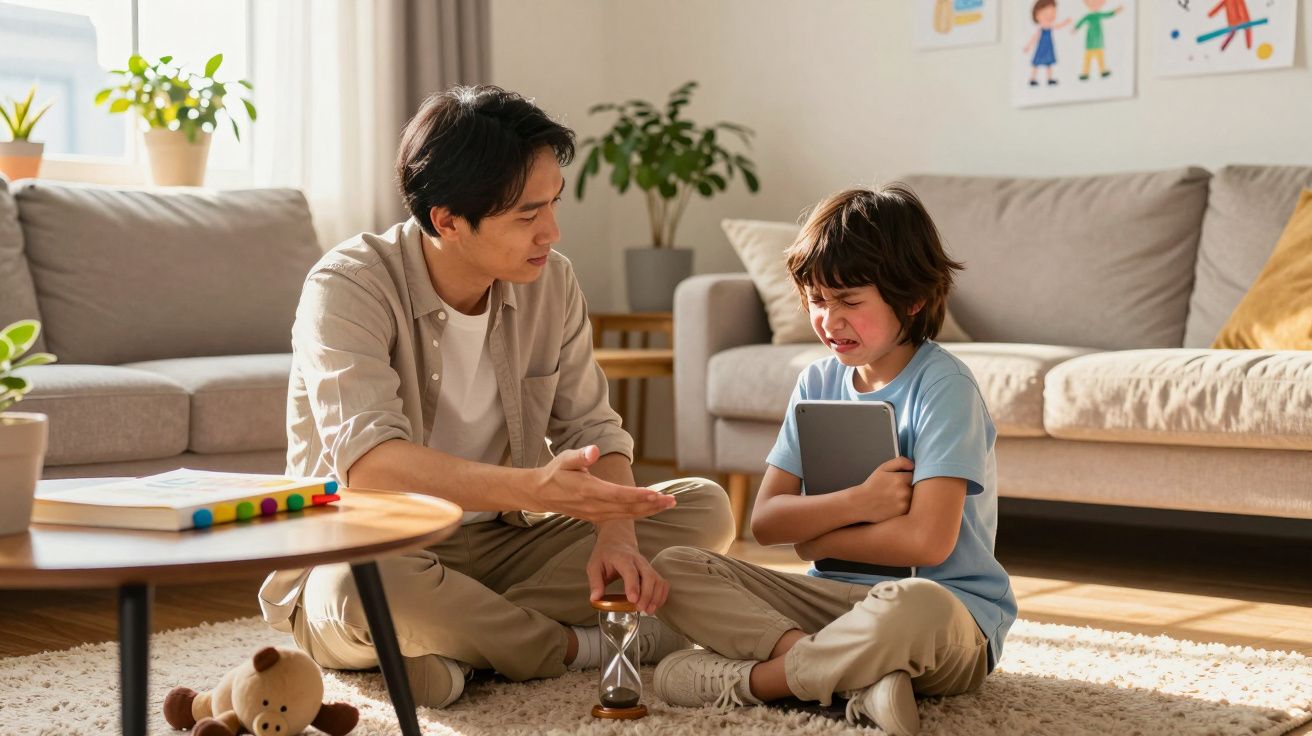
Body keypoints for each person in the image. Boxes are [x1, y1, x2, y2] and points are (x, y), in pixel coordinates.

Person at [257, 85, 736, 709]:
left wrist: (615, 532)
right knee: (365, 588)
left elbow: (593, 428)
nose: (552, 231)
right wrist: (533, 488)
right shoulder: (348, 285)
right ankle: (582, 646)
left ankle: (457, 648)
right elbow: (370, 467)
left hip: (507, 543)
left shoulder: (552, 281)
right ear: (448, 220)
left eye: (553, 205)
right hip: (377, 545)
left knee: (703, 507)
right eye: (526, 216)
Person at [647, 185, 1017, 736]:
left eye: (849, 302)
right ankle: (852, 678)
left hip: (946, 617)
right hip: (832, 605)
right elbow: (768, 522)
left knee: (915, 604)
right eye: (818, 301)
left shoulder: (944, 387)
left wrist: (818, 537)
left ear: (911, 299)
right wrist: (857, 503)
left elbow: (926, 544)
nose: (828, 320)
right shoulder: (817, 381)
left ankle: (758, 682)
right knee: (674, 565)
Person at [1024, 0, 1072, 86]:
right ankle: (1033, 78)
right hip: (1042, 47)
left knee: (1048, 63)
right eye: (1046, 14)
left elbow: (1058, 26)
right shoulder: (1041, 29)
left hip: (1048, 47)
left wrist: (1066, 22)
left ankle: (1049, 79)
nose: (1050, 17)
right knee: (1037, 62)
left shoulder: (1050, 26)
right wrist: (1028, 46)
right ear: (1037, 15)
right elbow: (1035, 38)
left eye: (1052, 14)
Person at [1073, 0, 1124, 80]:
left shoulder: (1099, 15)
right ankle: (1085, 73)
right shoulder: (1088, 16)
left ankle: (1103, 71)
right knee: (1088, 58)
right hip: (1090, 42)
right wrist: (1076, 28)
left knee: (1100, 58)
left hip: (1098, 41)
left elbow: (1109, 14)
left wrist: (1116, 11)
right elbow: (1081, 21)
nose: (1094, 5)